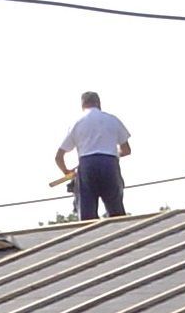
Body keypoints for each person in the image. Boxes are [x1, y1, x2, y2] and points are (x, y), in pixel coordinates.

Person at [54, 91, 131, 220]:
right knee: (116, 213)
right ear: (99, 103)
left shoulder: (77, 123)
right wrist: (112, 153)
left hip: (87, 165)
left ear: (82, 105)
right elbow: (126, 150)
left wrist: (67, 172)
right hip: (110, 164)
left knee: (87, 215)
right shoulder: (112, 120)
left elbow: (59, 156)